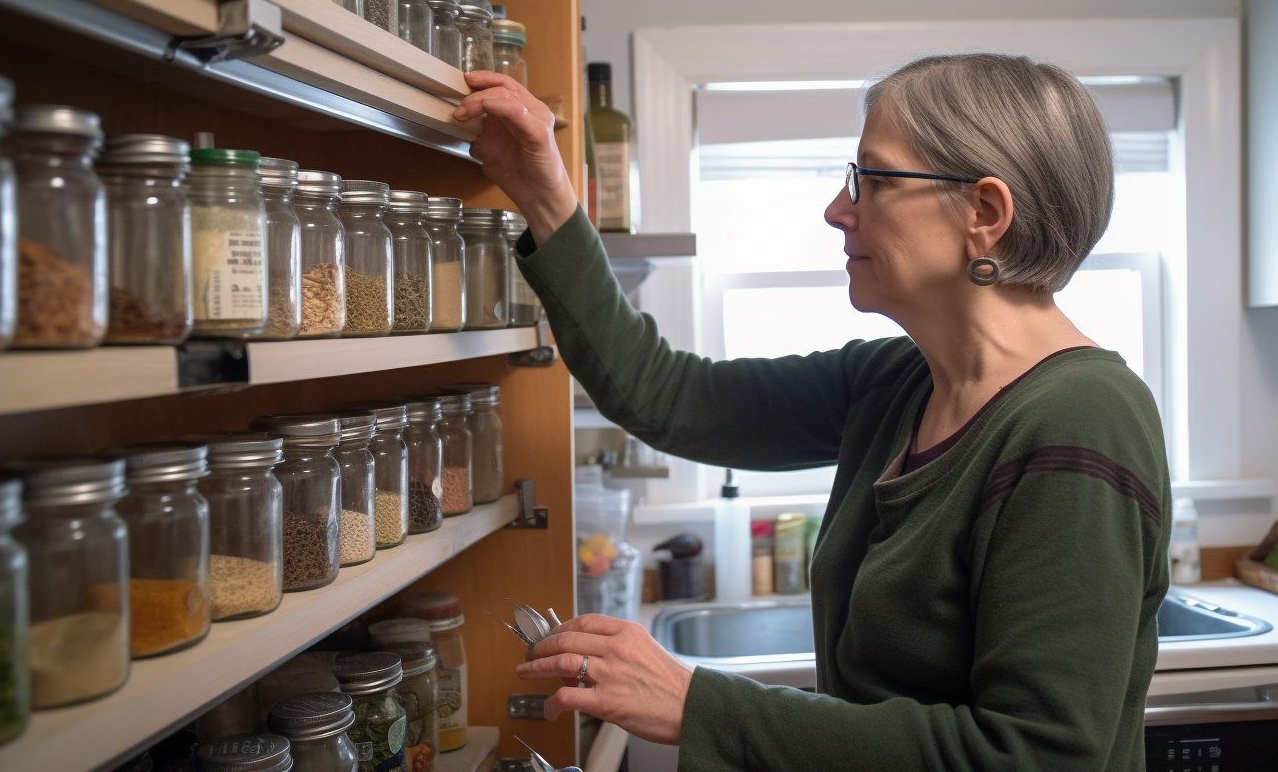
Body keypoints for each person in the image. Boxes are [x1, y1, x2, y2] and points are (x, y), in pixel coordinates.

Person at [453, 51, 1171, 771]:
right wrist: (544, 194)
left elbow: (1036, 757)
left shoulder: (1081, 421)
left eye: (874, 179)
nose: (838, 210)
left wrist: (697, 704)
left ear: (983, 212)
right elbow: (668, 396)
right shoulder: (897, 383)